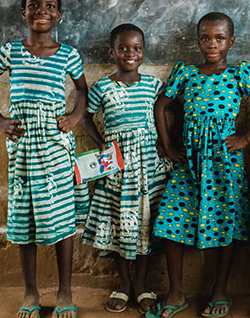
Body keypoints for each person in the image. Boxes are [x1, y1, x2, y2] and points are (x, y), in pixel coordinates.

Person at [148, 12, 250, 318]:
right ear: (198, 41)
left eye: (219, 38)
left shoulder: (239, 74)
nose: (212, 44)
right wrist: (168, 145)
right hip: (189, 163)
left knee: (226, 224)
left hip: (225, 164)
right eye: (205, 38)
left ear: (230, 41)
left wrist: (246, 138)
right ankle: (177, 293)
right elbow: (161, 105)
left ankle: (220, 289)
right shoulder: (185, 73)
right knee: (170, 221)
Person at [0, 0, 89, 318]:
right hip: (23, 145)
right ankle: (30, 292)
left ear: (59, 14)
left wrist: (74, 116)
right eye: (35, 5)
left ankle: (65, 291)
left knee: (61, 218)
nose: (42, 11)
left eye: (50, 6)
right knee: (25, 217)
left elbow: (82, 91)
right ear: (23, 11)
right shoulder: (9, 51)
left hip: (56, 145)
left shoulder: (69, 54)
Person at [81, 23, 172, 314]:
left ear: (144, 52)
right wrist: (102, 146)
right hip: (117, 169)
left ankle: (142, 285)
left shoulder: (153, 84)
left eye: (136, 48)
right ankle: (123, 284)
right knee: (121, 225)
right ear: (112, 52)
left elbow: (172, 111)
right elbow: (84, 116)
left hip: (149, 170)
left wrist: (166, 144)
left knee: (145, 226)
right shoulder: (103, 87)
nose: (130, 54)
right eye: (123, 48)